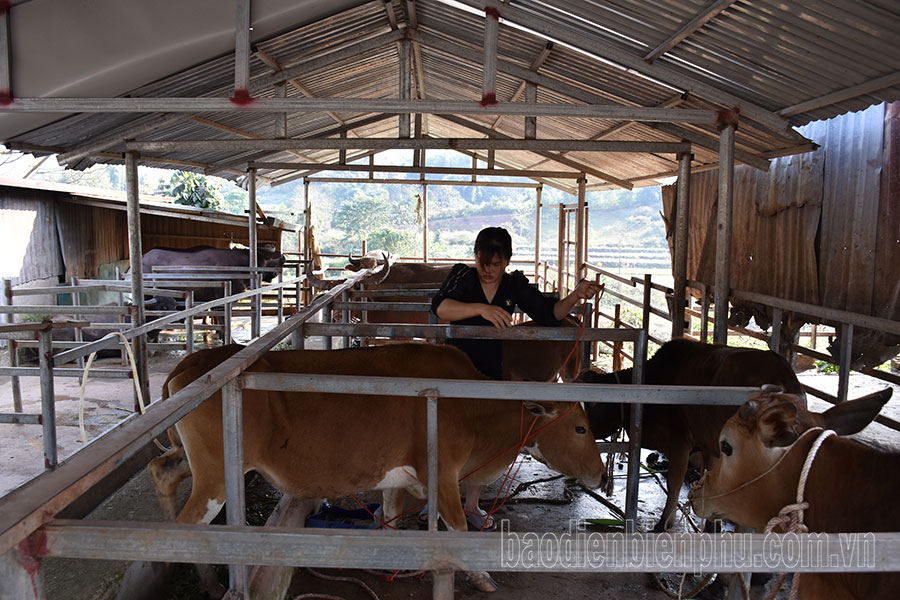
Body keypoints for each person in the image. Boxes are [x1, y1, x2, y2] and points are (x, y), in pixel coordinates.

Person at [429, 226, 602, 529]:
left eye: (495, 265)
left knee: (480, 435)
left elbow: (551, 313)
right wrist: (483, 309)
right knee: (447, 432)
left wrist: (574, 296)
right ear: (475, 257)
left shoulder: (513, 286)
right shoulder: (462, 276)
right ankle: (441, 500)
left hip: (493, 370)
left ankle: (470, 505)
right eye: (483, 262)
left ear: (506, 261)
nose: (488, 270)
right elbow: (442, 308)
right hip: (453, 367)